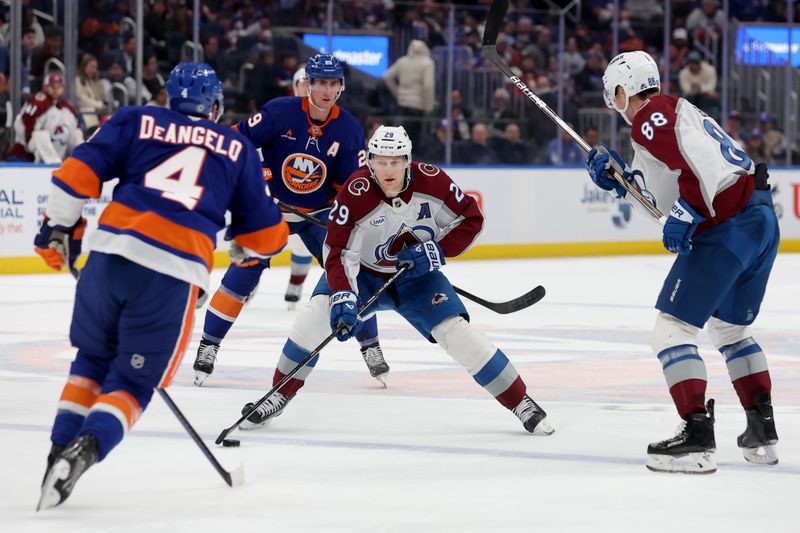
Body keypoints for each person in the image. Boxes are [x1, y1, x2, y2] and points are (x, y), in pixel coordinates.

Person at [35, 63, 288, 510]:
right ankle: (85, 450)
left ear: (170, 98)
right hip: (173, 274)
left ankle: (56, 455)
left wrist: (56, 227)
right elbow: (268, 237)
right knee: (132, 384)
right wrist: (241, 248)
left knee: (91, 362)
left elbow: (76, 175)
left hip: (109, 256)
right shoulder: (236, 146)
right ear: (214, 106)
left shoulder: (135, 119)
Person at [237, 125, 555, 437]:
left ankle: (520, 402)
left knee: (457, 334)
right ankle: (278, 394)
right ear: (370, 161)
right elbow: (337, 251)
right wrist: (344, 296)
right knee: (313, 319)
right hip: (362, 275)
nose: (388, 169)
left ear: (407, 160)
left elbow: (471, 220)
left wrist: (436, 250)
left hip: (417, 279)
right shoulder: (355, 191)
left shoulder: (433, 180)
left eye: (396, 161)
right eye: (381, 161)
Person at [586, 51, 779, 474]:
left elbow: (699, 168)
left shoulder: (651, 115)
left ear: (623, 91)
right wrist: (620, 182)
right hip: (759, 219)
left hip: (728, 224)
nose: (612, 103)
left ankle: (695, 436)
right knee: (729, 329)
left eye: (613, 94)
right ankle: (762, 430)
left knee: (671, 330)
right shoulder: (673, 113)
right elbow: (659, 196)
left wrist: (690, 209)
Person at [194, 54, 390, 387]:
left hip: (319, 214)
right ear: (308, 85)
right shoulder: (279, 112)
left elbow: (351, 189)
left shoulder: (349, 129)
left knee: (350, 273)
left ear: (340, 88)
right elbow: (233, 143)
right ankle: (208, 345)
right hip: (271, 211)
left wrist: (348, 225)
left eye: (333, 84)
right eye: (320, 83)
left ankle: (370, 345)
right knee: (242, 273)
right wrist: (259, 175)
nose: (327, 90)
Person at [282, 66, 315, 309]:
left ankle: (296, 282)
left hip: (311, 192)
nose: (306, 88)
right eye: (302, 83)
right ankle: (247, 282)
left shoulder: (327, 116)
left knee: (304, 242)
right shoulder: (281, 112)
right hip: (279, 190)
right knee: (259, 237)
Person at [7, 72, 84, 163]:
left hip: (54, 161)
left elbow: (75, 138)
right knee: (40, 135)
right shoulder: (37, 103)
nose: (55, 90)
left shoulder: (68, 109)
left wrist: (82, 155)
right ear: (45, 86)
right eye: (52, 86)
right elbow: (25, 128)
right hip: (24, 158)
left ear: (63, 88)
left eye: (58, 87)